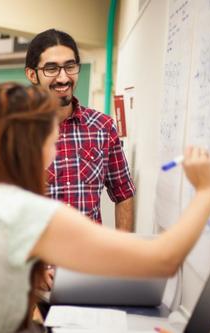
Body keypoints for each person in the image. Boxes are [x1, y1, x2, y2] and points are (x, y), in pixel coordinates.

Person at [0, 83, 210, 333]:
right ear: (34, 146)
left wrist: (22, 268)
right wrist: (206, 189)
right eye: (52, 140)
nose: (56, 151)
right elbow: (162, 260)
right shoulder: (23, 211)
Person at [25, 29, 136, 231]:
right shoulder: (15, 131)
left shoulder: (102, 127)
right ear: (32, 74)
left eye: (70, 66)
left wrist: (122, 254)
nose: (63, 78)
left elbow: (124, 194)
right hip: (35, 260)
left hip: (89, 260)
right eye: (51, 69)